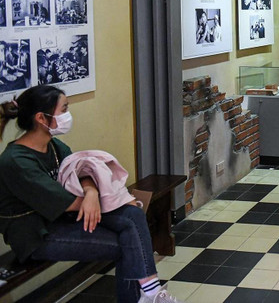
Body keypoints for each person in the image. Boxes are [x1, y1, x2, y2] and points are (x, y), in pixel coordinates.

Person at [0, 85, 183, 302]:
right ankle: (149, 295)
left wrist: (91, 191)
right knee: (127, 243)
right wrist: (114, 199)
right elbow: (63, 201)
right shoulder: (16, 161)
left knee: (132, 218)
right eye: (64, 109)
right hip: (36, 235)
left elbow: (81, 170)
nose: (68, 115)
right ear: (41, 118)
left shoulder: (54, 145)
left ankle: (150, 294)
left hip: (63, 218)